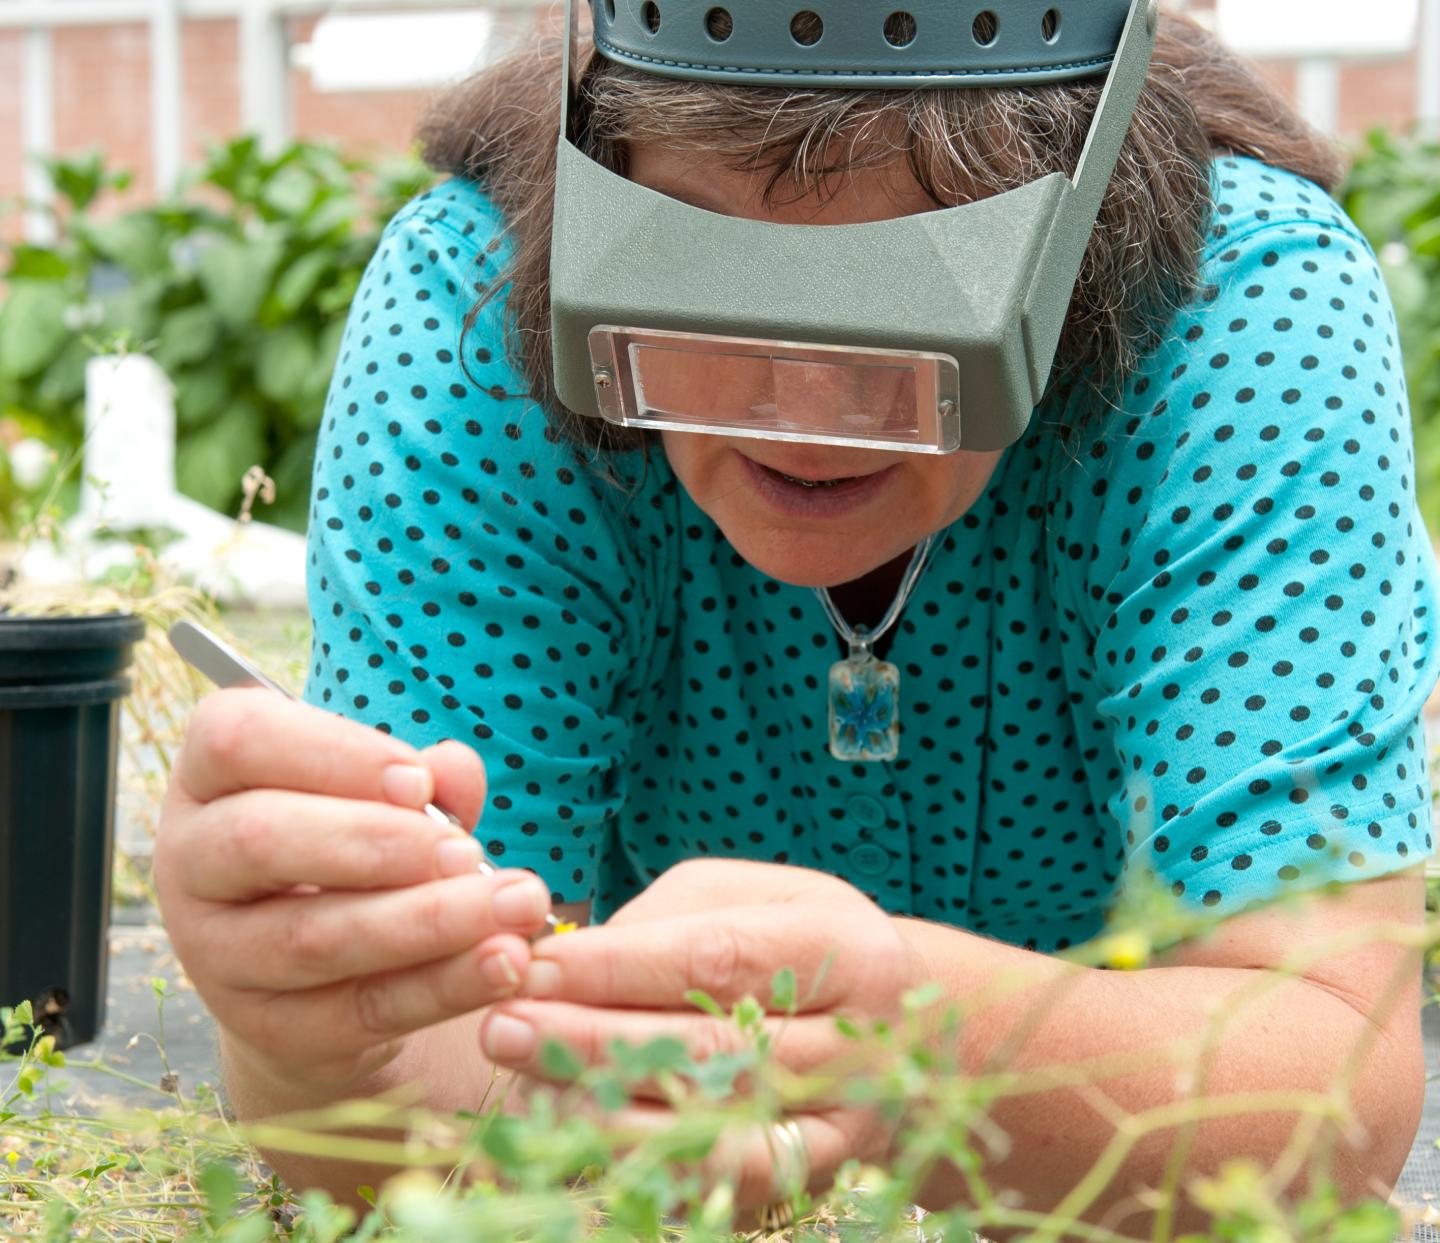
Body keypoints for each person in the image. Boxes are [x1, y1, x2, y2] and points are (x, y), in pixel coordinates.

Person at [154, 0, 1436, 1233]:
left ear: (1085, 230)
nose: (799, 399)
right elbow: (448, 1080)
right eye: (702, 267)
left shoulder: (1238, 313)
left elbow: (1328, 1070)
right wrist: (315, 1054)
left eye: (918, 286)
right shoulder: (478, 315)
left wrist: (918, 1047)